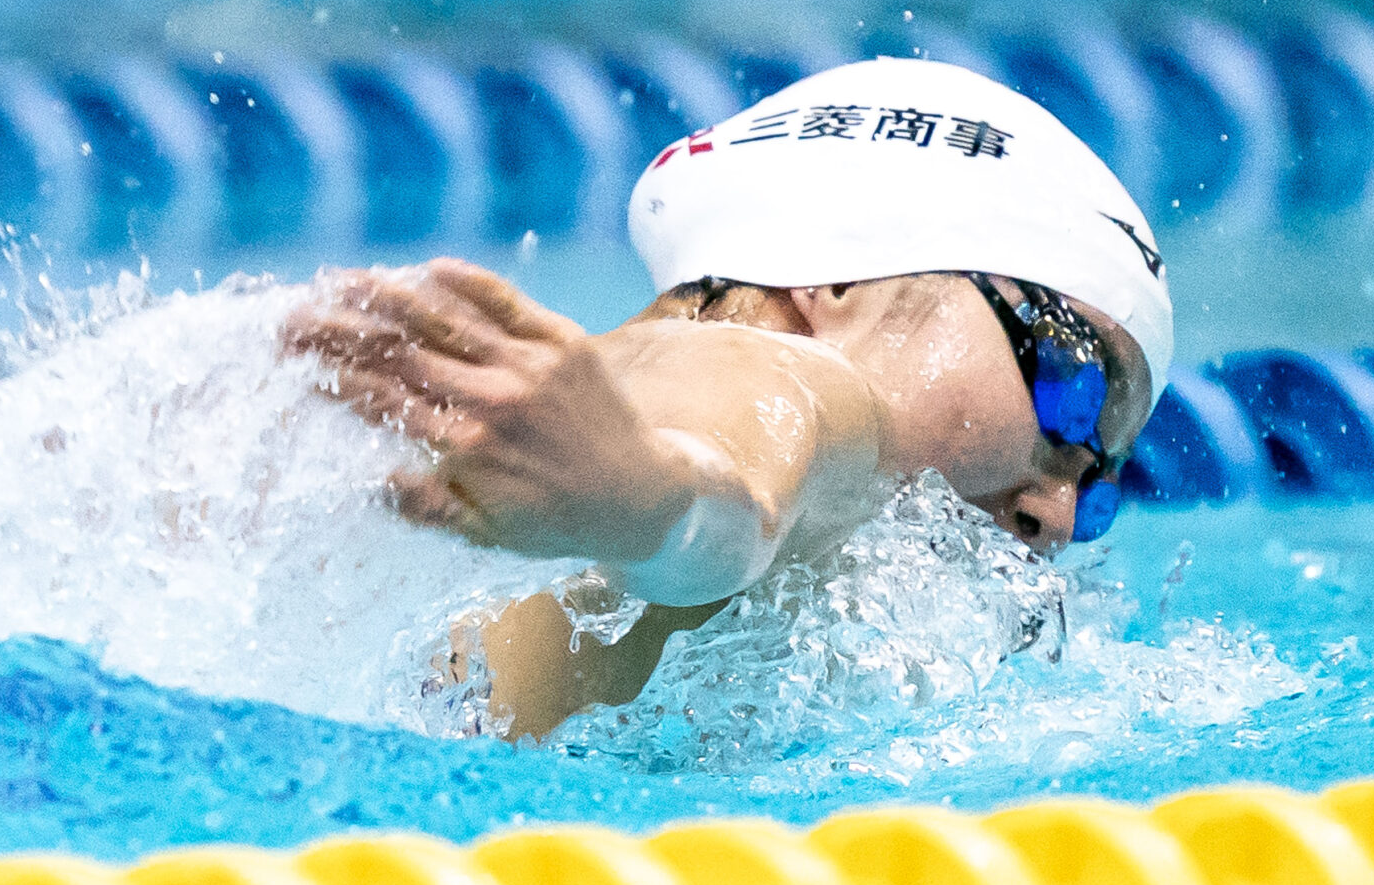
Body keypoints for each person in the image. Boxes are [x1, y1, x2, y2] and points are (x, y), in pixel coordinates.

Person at [281, 56, 1173, 740]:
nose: (1058, 512)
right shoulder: (770, 387)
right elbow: (760, 407)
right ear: (836, 279)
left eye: (1101, 480)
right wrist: (646, 494)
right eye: (1071, 380)